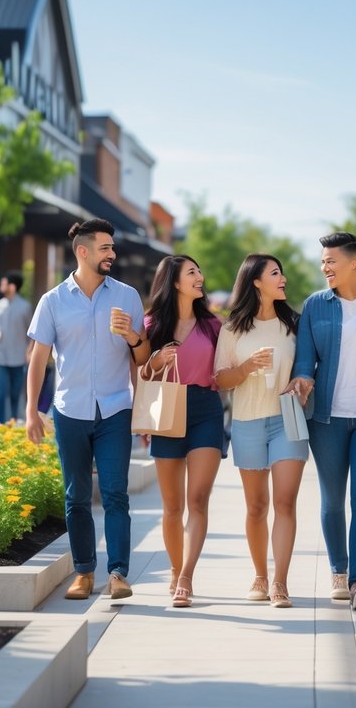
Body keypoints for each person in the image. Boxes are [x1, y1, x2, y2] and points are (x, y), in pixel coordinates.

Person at [26, 219, 150, 601]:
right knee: (76, 496)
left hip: (115, 408)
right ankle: (83, 573)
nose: (112, 254)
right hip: (70, 411)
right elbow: (38, 359)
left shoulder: (127, 296)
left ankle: (117, 574)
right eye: (105, 248)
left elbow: (142, 356)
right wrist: (32, 411)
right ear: (83, 251)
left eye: (112, 248)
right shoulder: (53, 301)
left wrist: (132, 336)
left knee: (115, 494)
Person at [288, 232, 356, 612]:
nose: (325, 267)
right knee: (333, 499)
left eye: (331, 260)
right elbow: (305, 358)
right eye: (322, 262)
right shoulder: (316, 306)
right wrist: (302, 378)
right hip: (327, 418)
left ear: (354, 262)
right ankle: (338, 569)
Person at [214, 254, 308, 609]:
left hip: (287, 420)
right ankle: (259, 574)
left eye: (281, 272)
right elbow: (220, 379)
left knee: (284, 502)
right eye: (275, 273)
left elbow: (307, 367)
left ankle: (280, 583)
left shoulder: (294, 325)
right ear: (256, 281)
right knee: (256, 506)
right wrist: (247, 368)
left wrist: (303, 383)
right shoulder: (233, 328)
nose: (282, 278)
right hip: (248, 421)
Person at [143, 254, 226, 608]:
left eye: (199, 270)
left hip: (206, 409)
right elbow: (141, 374)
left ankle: (187, 576)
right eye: (192, 272)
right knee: (173, 506)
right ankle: (176, 570)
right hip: (166, 410)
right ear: (174, 281)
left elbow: (225, 370)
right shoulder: (151, 324)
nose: (200, 276)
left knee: (197, 500)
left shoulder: (214, 326)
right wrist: (155, 360)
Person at [0, 271, 34, 423]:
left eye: (4, 283)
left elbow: (33, 333)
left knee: (15, 394)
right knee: (0, 393)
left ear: (12, 287)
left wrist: (29, 352)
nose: (1, 286)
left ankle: (13, 423)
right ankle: (0, 424)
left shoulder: (26, 307)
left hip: (19, 359)